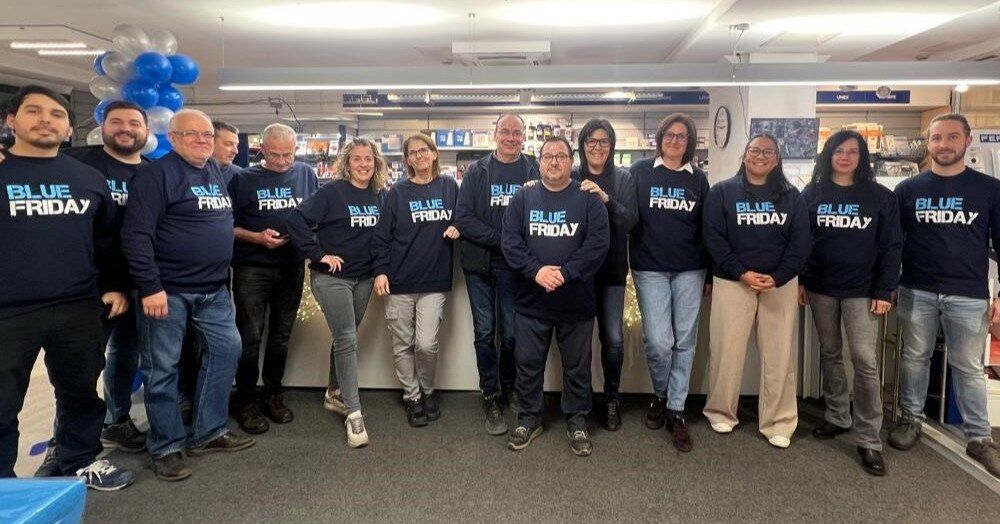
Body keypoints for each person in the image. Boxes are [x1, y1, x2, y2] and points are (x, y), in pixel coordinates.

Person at [0, 85, 134, 489]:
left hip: (78, 305)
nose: (46, 120)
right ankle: (5, 483)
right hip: (9, 310)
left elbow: (107, 241)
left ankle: (81, 459)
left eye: (56, 114)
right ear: (11, 121)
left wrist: (115, 286)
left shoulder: (87, 178)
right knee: (3, 402)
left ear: (69, 127)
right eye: (34, 111)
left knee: (80, 392)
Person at [122, 108, 254, 482]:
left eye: (207, 135)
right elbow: (136, 235)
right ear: (173, 137)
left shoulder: (213, 172)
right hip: (168, 291)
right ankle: (165, 446)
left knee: (228, 350)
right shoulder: (155, 175)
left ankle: (208, 431)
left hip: (213, 289)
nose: (202, 140)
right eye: (192, 134)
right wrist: (150, 286)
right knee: (161, 369)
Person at [891, 113, 1000, 478]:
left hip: (968, 293)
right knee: (914, 358)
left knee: (968, 367)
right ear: (928, 143)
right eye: (936, 138)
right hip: (916, 288)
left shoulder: (989, 189)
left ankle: (979, 438)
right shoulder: (908, 190)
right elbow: (893, 244)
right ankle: (911, 419)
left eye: (952, 137)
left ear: (967, 141)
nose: (943, 145)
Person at [800, 130, 902, 476]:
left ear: (862, 158)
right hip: (820, 287)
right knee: (829, 353)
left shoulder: (879, 197)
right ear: (828, 155)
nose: (845, 157)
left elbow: (891, 247)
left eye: (853, 152)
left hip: (864, 290)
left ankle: (869, 438)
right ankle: (837, 416)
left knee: (864, 360)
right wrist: (800, 280)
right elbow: (801, 241)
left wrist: (884, 289)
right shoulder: (812, 193)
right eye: (839, 151)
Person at [502, 136, 610, 457]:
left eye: (560, 156)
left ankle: (577, 421)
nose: (554, 162)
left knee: (577, 367)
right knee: (529, 364)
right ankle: (529, 418)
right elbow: (511, 241)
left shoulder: (588, 199)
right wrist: (536, 271)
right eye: (548, 156)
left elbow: (598, 244)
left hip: (575, 301)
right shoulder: (523, 198)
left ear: (570, 160)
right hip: (531, 301)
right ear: (539, 161)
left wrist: (565, 272)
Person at [702, 133, 810, 449]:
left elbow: (800, 243)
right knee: (726, 351)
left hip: (780, 284)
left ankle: (779, 421)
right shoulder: (722, 192)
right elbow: (714, 238)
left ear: (777, 159)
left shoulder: (792, 196)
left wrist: (778, 277)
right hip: (733, 281)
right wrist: (741, 272)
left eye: (768, 152)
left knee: (779, 356)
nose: (760, 156)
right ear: (744, 155)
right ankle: (721, 411)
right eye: (754, 150)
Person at [287, 137, 387, 448]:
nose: (363, 164)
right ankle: (354, 413)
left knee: (347, 334)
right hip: (332, 279)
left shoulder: (380, 194)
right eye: (356, 159)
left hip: (364, 278)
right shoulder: (332, 192)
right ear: (346, 163)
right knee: (346, 337)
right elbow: (295, 219)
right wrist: (317, 254)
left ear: (376, 162)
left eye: (368, 159)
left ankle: (334, 393)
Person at [228, 123, 318, 434]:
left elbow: (313, 216)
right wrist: (256, 237)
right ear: (261, 150)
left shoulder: (306, 174)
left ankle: (273, 393)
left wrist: (305, 238)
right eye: (275, 155)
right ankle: (246, 400)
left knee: (281, 335)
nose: (282, 162)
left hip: (291, 265)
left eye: (288, 155)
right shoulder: (243, 178)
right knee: (250, 338)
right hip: (252, 266)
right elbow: (225, 225)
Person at [629, 113, 710, 451]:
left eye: (682, 136)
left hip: (691, 269)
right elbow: (626, 213)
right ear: (660, 138)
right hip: (650, 268)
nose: (676, 140)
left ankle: (675, 408)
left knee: (685, 341)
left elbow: (707, 228)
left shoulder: (698, 179)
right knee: (660, 341)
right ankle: (661, 393)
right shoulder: (641, 172)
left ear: (690, 142)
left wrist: (713, 272)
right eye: (670, 135)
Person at [455, 113, 539, 436]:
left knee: (513, 334)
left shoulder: (533, 169)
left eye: (517, 133)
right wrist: (503, 240)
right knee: (484, 332)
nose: (510, 137)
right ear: (495, 134)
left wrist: (514, 248)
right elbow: (463, 218)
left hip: (516, 268)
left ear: (524, 136)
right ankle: (490, 395)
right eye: (505, 132)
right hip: (480, 266)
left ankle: (509, 386)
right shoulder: (478, 171)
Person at [371, 133, 459, 427]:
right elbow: (382, 237)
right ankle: (412, 396)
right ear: (407, 160)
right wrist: (381, 270)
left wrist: (459, 226)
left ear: (434, 154)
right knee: (402, 343)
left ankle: (428, 390)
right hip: (399, 280)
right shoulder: (398, 192)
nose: (420, 156)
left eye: (425, 150)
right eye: (413, 153)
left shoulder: (450, 187)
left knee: (425, 344)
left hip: (434, 280)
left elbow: (465, 216)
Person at [572, 119, 637, 432]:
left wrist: (606, 199)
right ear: (583, 145)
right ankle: (581, 401)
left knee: (612, 339)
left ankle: (611, 398)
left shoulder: (622, 178)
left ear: (611, 147)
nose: (597, 147)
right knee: (579, 342)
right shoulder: (571, 175)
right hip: (579, 273)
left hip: (611, 271)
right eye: (591, 141)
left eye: (603, 142)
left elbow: (630, 221)